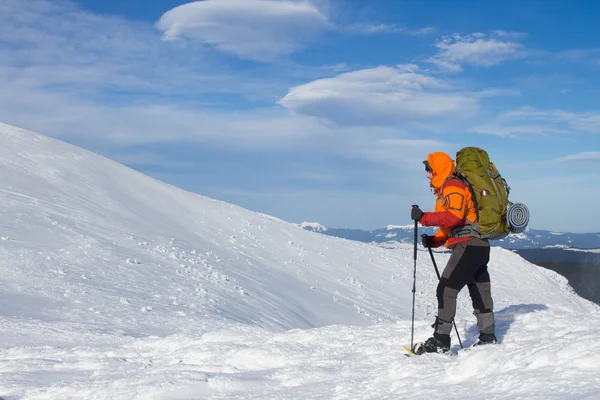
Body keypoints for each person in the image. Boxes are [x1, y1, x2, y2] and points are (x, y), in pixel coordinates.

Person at [410, 151, 498, 354]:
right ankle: (487, 335)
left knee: (446, 289)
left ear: (437, 169)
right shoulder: (454, 186)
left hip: (468, 245)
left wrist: (424, 217)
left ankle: (441, 339)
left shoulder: (453, 185)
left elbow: (454, 217)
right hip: (479, 245)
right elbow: (455, 224)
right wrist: (435, 240)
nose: (427, 175)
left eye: (428, 170)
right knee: (479, 289)